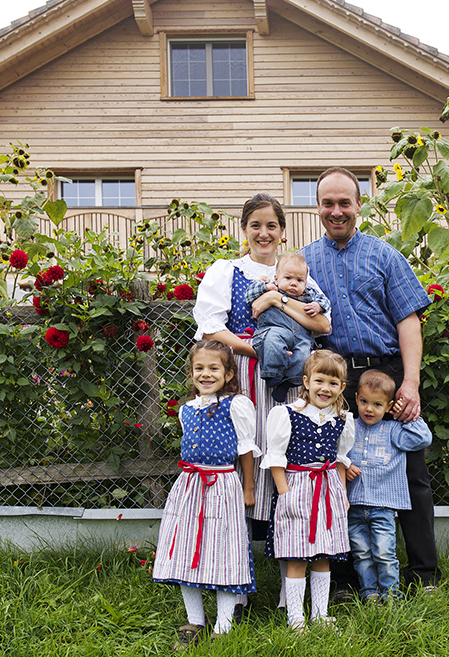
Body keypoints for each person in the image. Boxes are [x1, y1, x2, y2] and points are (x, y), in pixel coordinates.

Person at [301, 167, 440, 593]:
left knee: (410, 473)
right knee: (334, 473)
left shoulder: (384, 255)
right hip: (334, 379)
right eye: (329, 203)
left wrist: (410, 383)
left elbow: (409, 321)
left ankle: (424, 574)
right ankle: (341, 579)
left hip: (387, 375)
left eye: (345, 202)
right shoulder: (304, 262)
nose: (337, 211)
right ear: (318, 207)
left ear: (360, 205)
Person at [193, 193, 331, 615]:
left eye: (271, 225)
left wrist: (276, 301)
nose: (264, 233)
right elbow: (212, 328)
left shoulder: (296, 271)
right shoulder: (227, 270)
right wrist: (258, 349)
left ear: (282, 230)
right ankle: (232, 588)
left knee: (286, 469)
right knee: (240, 470)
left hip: (289, 387)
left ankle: (290, 585)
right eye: (256, 225)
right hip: (244, 382)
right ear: (244, 229)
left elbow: (323, 323)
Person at [152, 340, 261, 649]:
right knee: (186, 549)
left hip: (223, 484)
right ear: (191, 372)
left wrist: (248, 487)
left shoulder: (236, 405)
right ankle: (195, 620)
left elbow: (245, 451)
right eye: (199, 368)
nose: (205, 374)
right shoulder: (187, 410)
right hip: (190, 485)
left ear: (228, 374)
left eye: (214, 368)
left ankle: (225, 623)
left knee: (223, 549)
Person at [262, 350, 354, 631]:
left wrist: (343, 496)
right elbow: (275, 458)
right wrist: (285, 494)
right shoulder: (288, 414)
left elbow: (339, 460)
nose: (325, 388)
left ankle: (320, 614)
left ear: (342, 387)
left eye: (333, 383)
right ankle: (295, 618)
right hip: (298, 488)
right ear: (306, 381)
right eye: (320, 380)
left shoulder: (342, 420)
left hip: (328, 491)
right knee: (297, 556)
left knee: (324, 556)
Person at [345, 370, 432, 601]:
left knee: (384, 552)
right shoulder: (349, 428)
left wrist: (404, 414)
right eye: (364, 402)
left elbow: (423, 439)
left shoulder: (394, 431)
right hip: (354, 505)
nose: (369, 409)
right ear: (356, 399)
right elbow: (335, 453)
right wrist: (344, 466)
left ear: (388, 406)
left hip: (383, 507)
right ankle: (369, 592)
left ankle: (391, 594)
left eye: (377, 404)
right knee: (362, 553)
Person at [243, 252, 331, 403]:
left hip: (301, 338)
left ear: (305, 282)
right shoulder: (271, 289)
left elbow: (325, 301)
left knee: (304, 355)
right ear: (276, 279)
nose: (293, 283)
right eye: (288, 278)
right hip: (275, 329)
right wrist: (265, 287)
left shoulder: (309, 294)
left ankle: (288, 383)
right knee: (272, 341)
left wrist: (319, 306)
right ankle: (273, 374)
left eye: (299, 280)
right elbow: (248, 295)